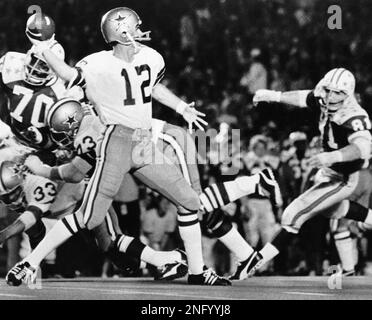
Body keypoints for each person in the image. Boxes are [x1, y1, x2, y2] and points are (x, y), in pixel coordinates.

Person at [7, 7, 230, 286]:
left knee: (190, 202)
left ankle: (197, 272)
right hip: (116, 141)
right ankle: (29, 263)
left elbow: (154, 88)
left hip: (143, 142)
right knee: (89, 218)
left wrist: (181, 107)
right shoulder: (97, 64)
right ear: (122, 32)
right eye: (135, 27)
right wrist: (42, 46)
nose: (139, 30)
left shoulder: (151, 56)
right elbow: (67, 74)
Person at [24, 98, 282, 281]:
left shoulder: (91, 129)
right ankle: (245, 254)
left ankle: (255, 182)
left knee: (194, 204)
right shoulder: (91, 126)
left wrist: (38, 166)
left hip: (165, 143)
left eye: (62, 135)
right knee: (198, 209)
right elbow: (73, 171)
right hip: (147, 151)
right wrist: (41, 169)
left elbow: (75, 169)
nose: (63, 143)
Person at [245, 68, 372, 276]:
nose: (331, 97)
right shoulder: (324, 97)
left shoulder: (353, 115)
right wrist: (274, 95)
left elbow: (363, 148)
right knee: (335, 211)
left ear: (348, 94)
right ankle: (349, 271)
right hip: (331, 171)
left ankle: (253, 264)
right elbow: (304, 97)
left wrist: (332, 156)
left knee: (293, 214)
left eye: (338, 93)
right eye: (329, 90)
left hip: (344, 175)